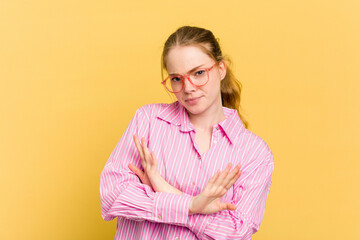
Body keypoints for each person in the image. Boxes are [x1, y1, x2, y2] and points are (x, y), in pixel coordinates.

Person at [100, 26, 274, 240]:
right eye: (176, 78)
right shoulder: (148, 121)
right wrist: (191, 205)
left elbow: (235, 233)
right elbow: (113, 195)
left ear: (221, 69)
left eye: (199, 73)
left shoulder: (254, 153)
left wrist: (162, 189)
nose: (188, 88)